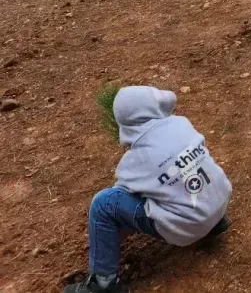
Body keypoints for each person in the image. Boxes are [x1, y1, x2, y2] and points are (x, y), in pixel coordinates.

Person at [61, 86, 232, 293]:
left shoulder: (135, 160)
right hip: (219, 204)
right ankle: (213, 224)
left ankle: (103, 283)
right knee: (188, 173)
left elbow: (122, 199)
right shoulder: (181, 124)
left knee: (104, 204)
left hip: (190, 226)